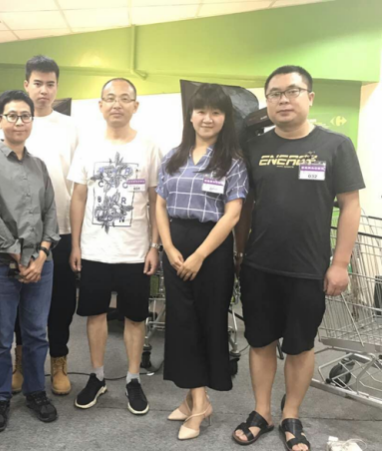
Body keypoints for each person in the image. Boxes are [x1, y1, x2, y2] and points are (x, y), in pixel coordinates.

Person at [233, 65, 364, 451]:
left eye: (292, 91)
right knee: (259, 342)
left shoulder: (335, 145)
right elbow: (245, 206)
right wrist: (240, 251)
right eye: (274, 94)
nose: (283, 99)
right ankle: (262, 412)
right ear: (267, 102)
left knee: (300, 346)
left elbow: (351, 205)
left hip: (308, 269)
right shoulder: (255, 148)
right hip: (259, 265)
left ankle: (291, 413)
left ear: (310, 97)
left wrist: (340, 263)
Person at [156, 84, 249, 440]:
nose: (207, 118)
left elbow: (232, 214)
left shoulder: (232, 161)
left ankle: (199, 406)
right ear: (191, 116)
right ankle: (194, 399)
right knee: (181, 324)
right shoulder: (173, 157)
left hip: (212, 249)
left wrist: (199, 255)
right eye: (201, 111)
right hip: (175, 244)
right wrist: (168, 246)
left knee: (207, 323)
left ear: (225, 118)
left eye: (216, 112)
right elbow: (160, 204)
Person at [68, 77, 161, 415]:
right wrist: (75, 244)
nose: (116, 104)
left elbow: (156, 200)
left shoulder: (149, 147)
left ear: (135, 106)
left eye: (124, 98)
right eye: (110, 98)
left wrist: (155, 245)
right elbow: (79, 197)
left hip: (136, 251)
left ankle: (133, 379)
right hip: (94, 250)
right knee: (95, 314)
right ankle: (97, 376)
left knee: (135, 317)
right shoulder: (88, 146)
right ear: (100, 105)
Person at [0, 55, 78, 396]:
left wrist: (77, 237)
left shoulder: (71, 127)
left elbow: (79, 184)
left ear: (57, 87)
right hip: (20, 236)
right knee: (20, 304)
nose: (43, 90)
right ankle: (22, 363)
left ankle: (59, 362)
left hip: (61, 230)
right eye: (37, 83)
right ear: (26, 85)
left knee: (61, 304)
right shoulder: (9, 124)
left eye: (50, 84)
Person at [0, 90, 60, 433]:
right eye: (12, 115)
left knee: (36, 333)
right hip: (0, 264)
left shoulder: (39, 165)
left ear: (31, 121)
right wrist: (19, 256)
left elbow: (51, 212)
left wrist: (42, 255)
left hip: (41, 263)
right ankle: (0, 398)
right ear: (0, 120)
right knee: (0, 337)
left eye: (25, 116)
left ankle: (36, 392)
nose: (19, 122)